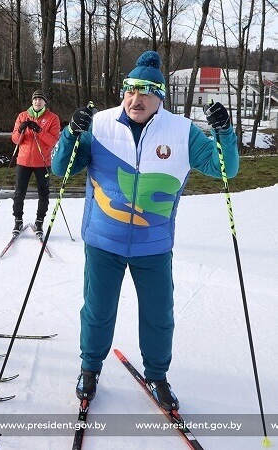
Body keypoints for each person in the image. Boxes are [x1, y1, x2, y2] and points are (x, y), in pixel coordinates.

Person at [51, 51, 239, 410]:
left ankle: (157, 374)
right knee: (97, 310)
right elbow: (62, 168)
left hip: (153, 246)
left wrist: (225, 133)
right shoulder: (100, 124)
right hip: (103, 241)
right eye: (130, 91)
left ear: (161, 97)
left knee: (158, 314)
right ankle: (90, 368)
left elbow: (225, 169)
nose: (136, 100)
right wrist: (71, 131)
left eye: (146, 92)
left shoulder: (181, 131)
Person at [11, 90, 60, 236]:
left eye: (40, 99)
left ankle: (39, 221)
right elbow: (15, 140)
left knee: (43, 193)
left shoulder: (52, 118)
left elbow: (53, 141)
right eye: (35, 99)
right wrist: (20, 130)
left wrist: (38, 130)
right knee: (19, 192)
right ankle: (18, 220)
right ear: (32, 101)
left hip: (43, 162)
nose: (37, 102)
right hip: (24, 161)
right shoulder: (22, 116)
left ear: (45, 102)